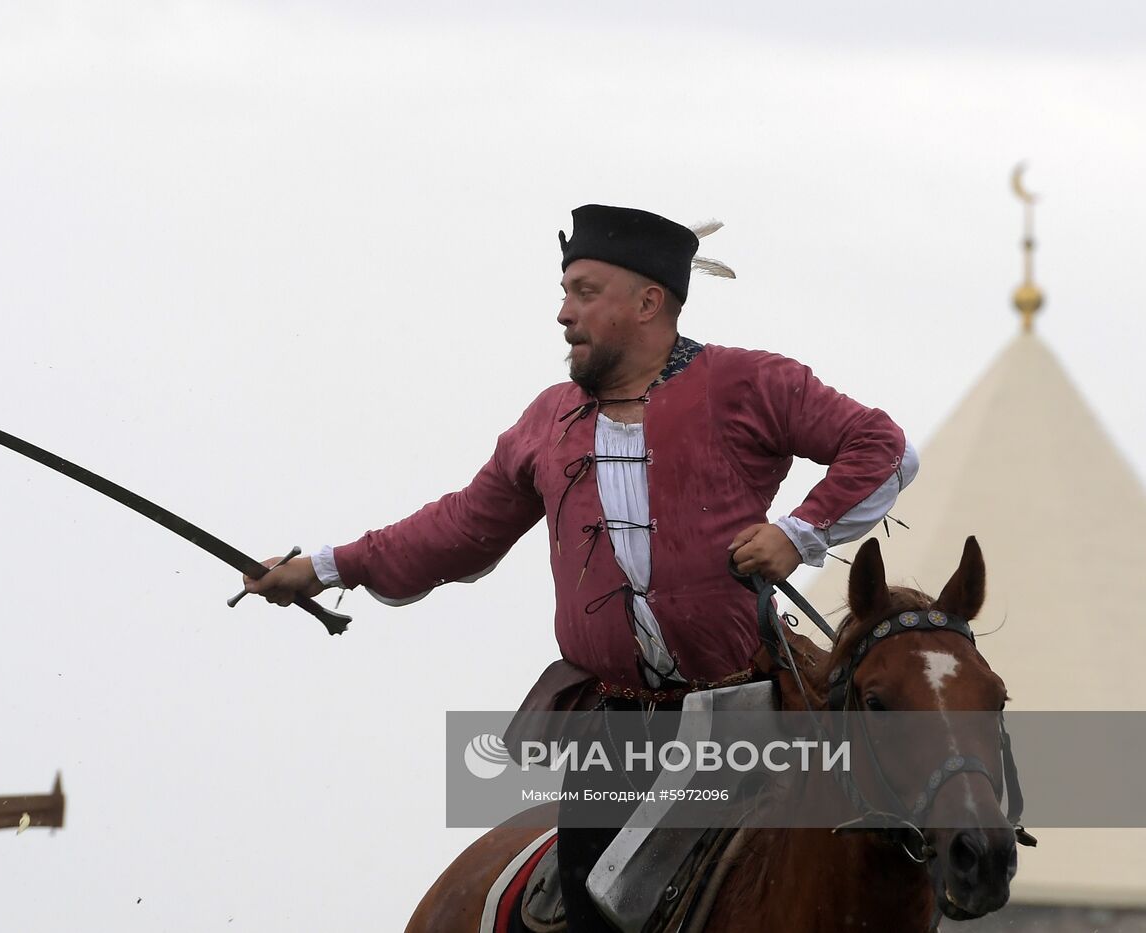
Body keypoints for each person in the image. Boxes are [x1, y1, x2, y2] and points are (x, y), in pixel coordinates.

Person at [244, 204, 917, 930]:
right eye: (566, 292)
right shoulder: (546, 421)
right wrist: (322, 566)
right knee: (592, 910)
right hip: (617, 729)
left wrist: (798, 533)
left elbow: (884, 447)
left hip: (754, 712)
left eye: (585, 292)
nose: (565, 313)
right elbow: (460, 528)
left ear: (648, 302)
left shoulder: (749, 383)